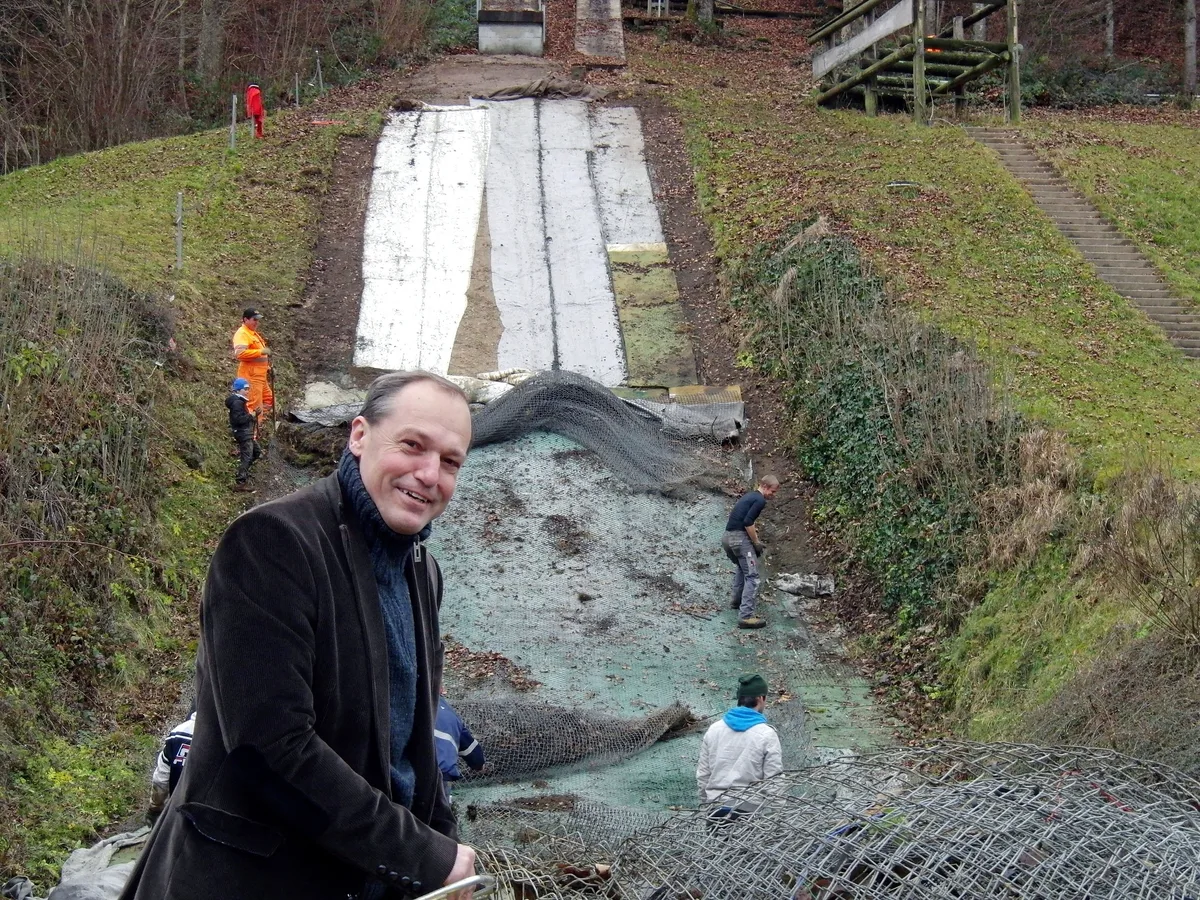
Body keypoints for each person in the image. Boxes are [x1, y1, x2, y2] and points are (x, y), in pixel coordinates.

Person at [119, 371, 479, 900]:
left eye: (450, 462)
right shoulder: (273, 543)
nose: (429, 474)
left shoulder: (421, 573)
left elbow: (410, 741)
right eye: (412, 446)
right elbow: (269, 749)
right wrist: (419, 854)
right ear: (360, 436)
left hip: (369, 876)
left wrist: (443, 845)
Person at [696, 674, 783, 811]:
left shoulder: (714, 729)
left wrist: (706, 805)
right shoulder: (767, 734)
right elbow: (774, 781)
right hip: (748, 813)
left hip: (716, 808)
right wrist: (779, 814)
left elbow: (703, 775)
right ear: (761, 698)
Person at [721, 475, 780, 629]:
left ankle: (737, 601)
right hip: (739, 539)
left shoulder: (749, 496)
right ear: (765, 487)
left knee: (742, 567)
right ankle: (746, 617)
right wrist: (756, 543)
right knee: (753, 576)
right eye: (773, 492)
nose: (773, 495)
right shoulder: (759, 500)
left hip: (727, 538)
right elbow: (748, 522)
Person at [147, 710, 196, 822]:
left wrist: (155, 808)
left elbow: (160, 780)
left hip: (177, 816)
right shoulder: (229, 739)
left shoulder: (177, 734)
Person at [435, 694, 485, 801]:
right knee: (440, 811)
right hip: (441, 775)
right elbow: (472, 752)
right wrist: (479, 765)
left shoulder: (407, 702)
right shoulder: (450, 713)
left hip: (412, 771)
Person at [231, 307, 273, 428]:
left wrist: (267, 367)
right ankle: (251, 434)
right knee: (254, 407)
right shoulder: (242, 334)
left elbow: (258, 358)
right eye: (254, 319)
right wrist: (261, 351)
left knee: (269, 400)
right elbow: (240, 354)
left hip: (260, 376)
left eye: (258, 320)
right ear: (245, 319)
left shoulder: (252, 333)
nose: (257, 322)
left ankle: (257, 425)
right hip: (252, 377)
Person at [226, 376, 261, 492]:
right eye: (245, 389)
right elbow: (237, 420)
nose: (247, 391)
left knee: (256, 452)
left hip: (247, 433)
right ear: (238, 390)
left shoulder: (240, 402)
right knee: (247, 456)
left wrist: (253, 416)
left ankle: (243, 472)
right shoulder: (237, 403)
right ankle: (241, 481)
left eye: (248, 389)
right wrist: (250, 416)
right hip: (243, 433)